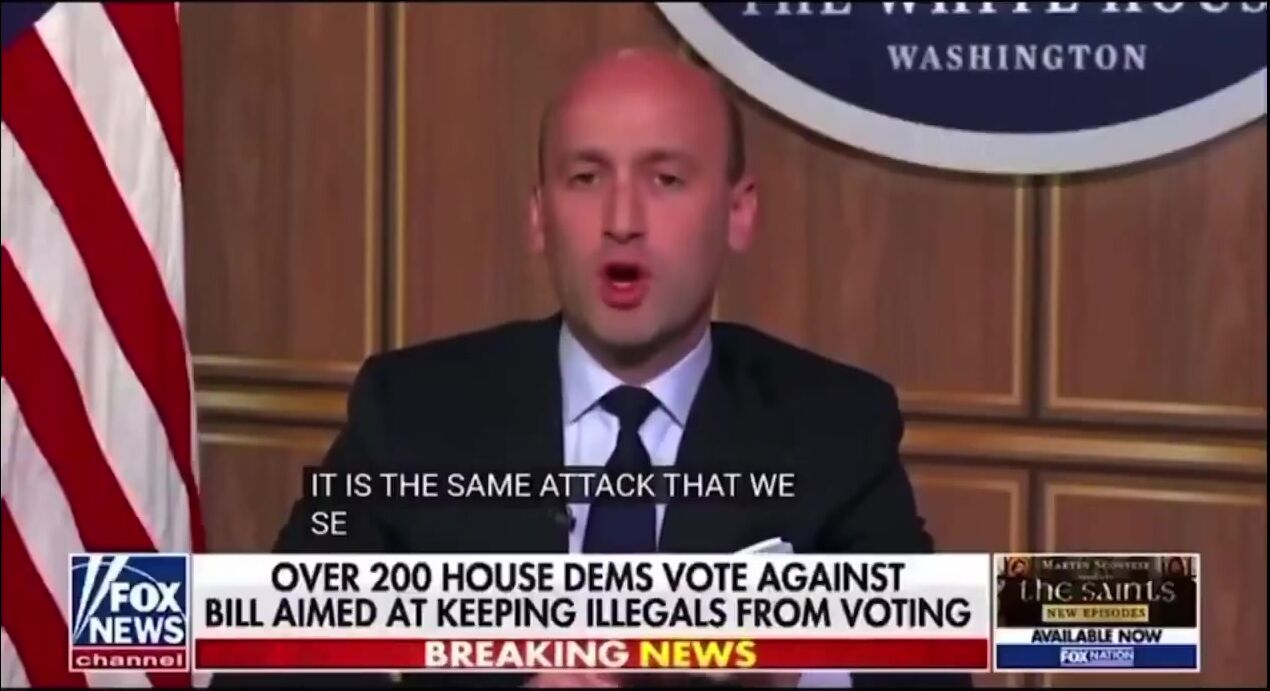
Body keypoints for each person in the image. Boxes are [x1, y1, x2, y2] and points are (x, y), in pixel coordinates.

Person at [215, 47, 968, 688]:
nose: (622, 220)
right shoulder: (411, 412)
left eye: (665, 179)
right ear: (539, 214)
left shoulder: (836, 429)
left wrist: (791, 663)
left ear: (738, 213)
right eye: (586, 178)